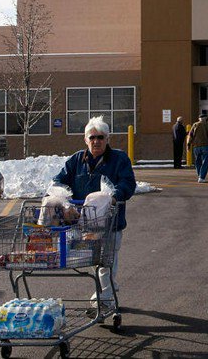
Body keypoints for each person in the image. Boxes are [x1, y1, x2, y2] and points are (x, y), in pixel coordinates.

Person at [54, 116, 136, 308]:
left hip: (110, 223)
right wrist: (63, 200)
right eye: (92, 137)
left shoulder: (119, 159)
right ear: (86, 139)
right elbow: (58, 181)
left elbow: (128, 183)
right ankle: (109, 291)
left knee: (106, 263)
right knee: (96, 262)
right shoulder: (76, 160)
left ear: (107, 139)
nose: (96, 141)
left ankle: (103, 302)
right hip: (85, 225)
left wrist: (113, 197)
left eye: (100, 137)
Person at [187, 113, 208, 183]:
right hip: (205, 145)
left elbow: (190, 135)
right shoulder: (207, 125)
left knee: (197, 162)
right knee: (205, 162)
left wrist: (188, 144)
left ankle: (199, 175)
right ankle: (202, 177)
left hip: (196, 146)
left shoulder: (195, 125)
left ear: (199, 119)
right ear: (205, 118)